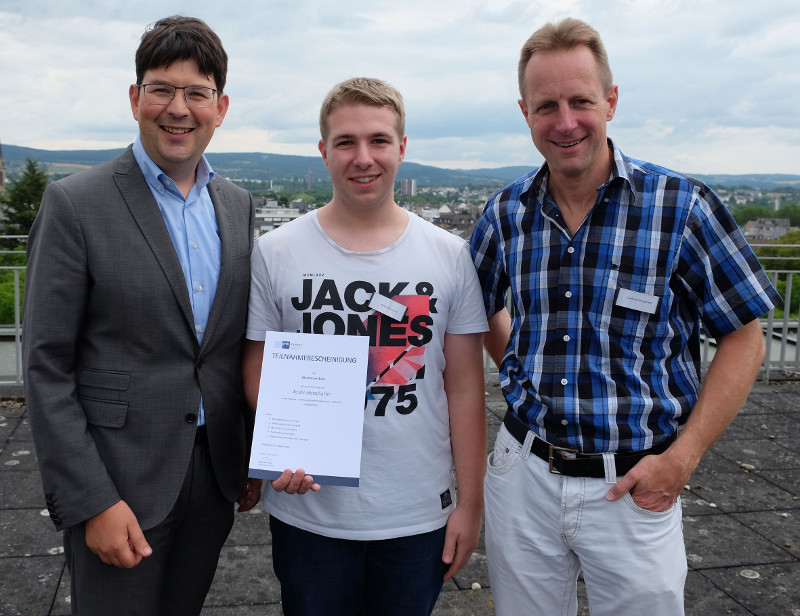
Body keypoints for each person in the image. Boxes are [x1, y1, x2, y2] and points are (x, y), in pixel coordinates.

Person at [470, 17, 781, 616]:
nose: (565, 122)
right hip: (524, 478)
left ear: (611, 101)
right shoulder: (506, 213)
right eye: (546, 106)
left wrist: (683, 458)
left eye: (581, 101)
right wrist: (516, 364)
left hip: (637, 486)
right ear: (525, 113)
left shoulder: (681, 206)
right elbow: (476, 309)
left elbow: (745, 339)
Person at [22, 15, 261, 616]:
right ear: (135, 98)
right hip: (118, 486)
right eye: (161, 88)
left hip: (213, 478)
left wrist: (256, 452)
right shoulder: (76, 203)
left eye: (197, 93)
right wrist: (91, 501)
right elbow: (46, 369)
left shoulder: (237, 205)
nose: (178, 108)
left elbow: (232, 347)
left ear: (221, 107)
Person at [242, 77, 487, 616]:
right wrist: (288, 444)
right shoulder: (275, 252)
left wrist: (471, 503)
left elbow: (466, 387)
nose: (363, 157)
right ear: (323, 151)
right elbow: (256, 366)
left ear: (402, 147)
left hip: (416, 512)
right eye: (346, 142)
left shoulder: (449, 255)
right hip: (310, 511)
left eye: (378, 140)